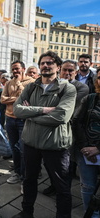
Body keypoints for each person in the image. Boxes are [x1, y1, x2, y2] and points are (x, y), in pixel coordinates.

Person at [12, 51, 76, 218]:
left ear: (58, 67)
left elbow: (61, 116)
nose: (46, 66)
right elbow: (17, 109)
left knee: (61, 186)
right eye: (43, 63)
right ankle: (26, 212)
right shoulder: (31, 86)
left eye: (50, 63)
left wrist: (30, 114)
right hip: (31, 143)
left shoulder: (67, 88)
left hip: (54, 145)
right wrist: (43, 110)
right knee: (28, 181)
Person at [43, 60, 89, 196]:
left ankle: (63, 191)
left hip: (68, 130)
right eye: (65, 70)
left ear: (75, 72)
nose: (67, 73)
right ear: (59, 70)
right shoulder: (51, 85)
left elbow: (66, 107)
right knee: (48, 161)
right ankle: (54, 185)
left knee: (65, 165)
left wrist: (46, 107)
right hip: (50, 128)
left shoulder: (82, 88)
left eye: (70, 71)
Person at [1, 61, 35, 185]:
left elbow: (29, 100)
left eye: (17, 69)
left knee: (22, 148)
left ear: (23, 69)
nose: (15, 71)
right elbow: (2, 99)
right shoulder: (9, 83)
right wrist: (17, 100)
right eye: (13, 69)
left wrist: (19, 85)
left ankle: (24, 175)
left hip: (23, 119)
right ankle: (17, 172)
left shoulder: (31, 82)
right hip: (10, 119)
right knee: (13, 147)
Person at [72, 67, 100, 216]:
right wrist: (85, 147)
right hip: (85, 152)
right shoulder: (89, 99)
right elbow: (77, 122)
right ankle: (91, 214)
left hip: (97, 149)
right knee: (87, 186)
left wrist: (98, 149)